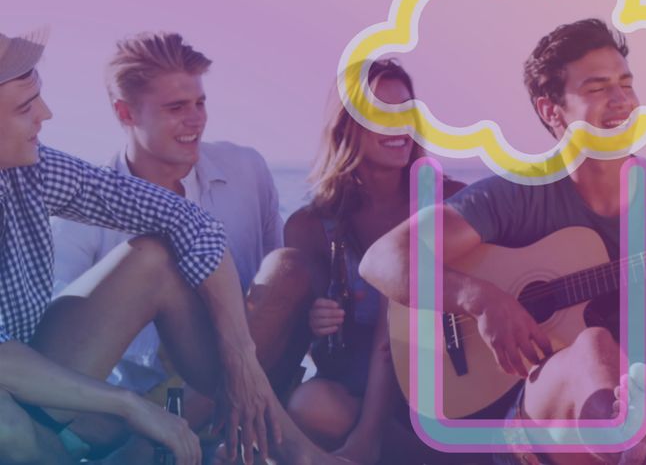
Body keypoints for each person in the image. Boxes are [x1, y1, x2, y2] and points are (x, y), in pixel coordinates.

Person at [361, 19, 646, 465]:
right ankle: (623, 438)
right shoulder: (518, 196)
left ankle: (624, 442)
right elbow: (383, 259)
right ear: (551, 110)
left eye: (626, 84)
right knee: (592, 346)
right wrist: (481, 300)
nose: (622, 101)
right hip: (546, 415)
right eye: (597, 89)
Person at [0, 28, 346, 465]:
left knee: (155, 256)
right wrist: (129, 406)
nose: (46, 115)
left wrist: (243, 360)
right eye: (26, 107)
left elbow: (191, 224)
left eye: (199, 103)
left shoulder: (32, 168)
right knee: (5, 424)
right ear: (125, 113)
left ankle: (282, 444)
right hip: (29, 394)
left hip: (67, 380)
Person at [49, 32, 283, 462]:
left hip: (244, 380)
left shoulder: (247, 172)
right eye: (177, 108)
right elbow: (65, 346)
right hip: (134, 410)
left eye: (200, 103)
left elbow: (275, 291)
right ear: (125, 112)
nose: (196, 120)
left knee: (284, 269)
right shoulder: (77, 214)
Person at [244, 60, 464, 464]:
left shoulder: (449, 203)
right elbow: (323, 356)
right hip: (356, 394)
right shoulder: (312, 226)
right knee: (310, 403)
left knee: (398, 278)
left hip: (437, 391)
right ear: (347, 126)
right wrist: (316, 322)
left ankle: (375, 445)